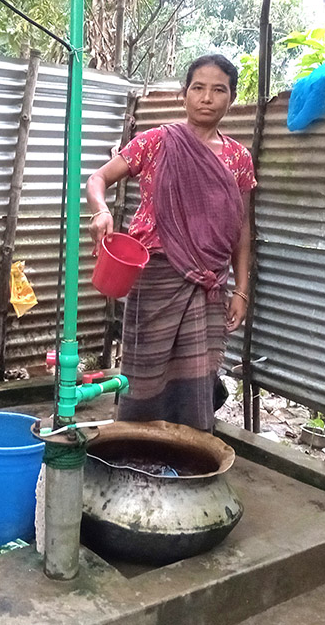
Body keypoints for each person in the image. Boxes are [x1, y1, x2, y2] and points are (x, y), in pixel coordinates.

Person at [85, 54, 256, 432]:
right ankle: (133, 448)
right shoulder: (158, 141)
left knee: (196, 374)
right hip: (157, 274)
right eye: (198, 88)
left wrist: (241, 290)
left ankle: (186, 451)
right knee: (144, 371)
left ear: (231, 99)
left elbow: (241, 227)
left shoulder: (238, 159)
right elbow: (98, 179)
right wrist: (100, 211)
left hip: (208, 283)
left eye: (218, 90)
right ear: (184, 94)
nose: (207, 97)